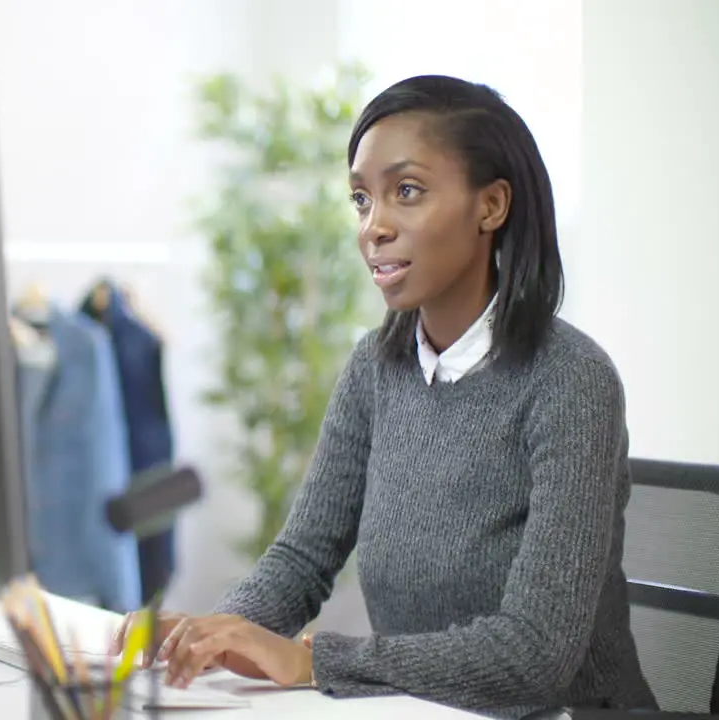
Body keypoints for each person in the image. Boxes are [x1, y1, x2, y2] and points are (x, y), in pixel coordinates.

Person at [109, 75, 658, 719]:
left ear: (492, 206)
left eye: (407, 192)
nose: (374, 227)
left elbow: (533, 656)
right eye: (362, 200)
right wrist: (207, 637)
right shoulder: (376, 366)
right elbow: (304, 558)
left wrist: (312, 660)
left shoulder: (570, 380)